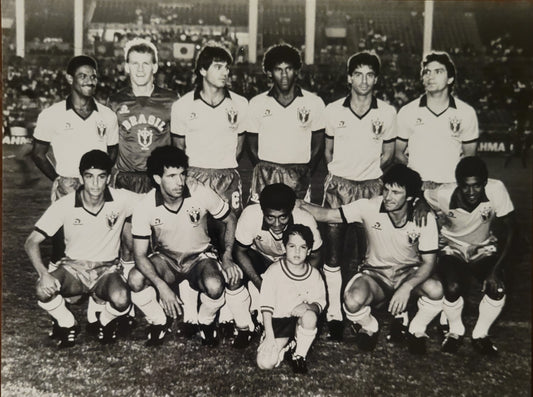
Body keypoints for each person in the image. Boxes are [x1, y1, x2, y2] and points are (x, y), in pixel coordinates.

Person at [300, 165, 443, 354]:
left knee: (436, 290)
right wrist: (294, 203)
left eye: (396, 192)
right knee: (351, 301)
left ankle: (416, 329)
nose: (388, 197)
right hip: (376, 275)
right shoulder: (368, 207)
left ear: (410, 197)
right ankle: (370, 326)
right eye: (386, 190)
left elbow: (429, 262)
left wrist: (406, 288)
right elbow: (327, 215)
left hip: (409, 273)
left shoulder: (424, 218)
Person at [128, 146, 251, 347]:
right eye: (172, 176)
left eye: (183, 174)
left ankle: (206, 322)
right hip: (166, 258)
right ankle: (159, 322)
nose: (180, 181)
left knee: (215, 285)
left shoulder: (200, 192)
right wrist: (162, 287)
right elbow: (140, 255)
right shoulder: (145, 206)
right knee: (135, 278)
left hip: (200, 257)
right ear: (158, 179)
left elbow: (230, 219)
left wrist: (227, 256)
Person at [24, 150, 140, 347]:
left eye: (101, 177)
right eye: (89, 176)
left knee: (122, 300)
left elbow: (154, 200)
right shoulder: (65, 204)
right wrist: (44, 273)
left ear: (109, 178)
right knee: (43, 290)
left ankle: (104, 321)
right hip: (73, 269)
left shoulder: (122, 199)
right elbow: (31, 242)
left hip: (106, 270)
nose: (95, 184)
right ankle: (68, 323)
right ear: (81, 178)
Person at [171, 43, 248, 336]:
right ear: (202, 70)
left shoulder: (239, 104)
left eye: (227, 67)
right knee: (192, 242)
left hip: (227, 175)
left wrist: (223, 168)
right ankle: (191, 311)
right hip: (194, 177)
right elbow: (178, 148)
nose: (225, 72)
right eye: (218, 66)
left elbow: (239, 147)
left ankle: (227, 311)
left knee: (230, 237)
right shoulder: (182, 107)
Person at [321, 51, 397, 341]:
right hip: (339, 187)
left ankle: (361, 307)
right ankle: (334, 314)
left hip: (371, 188)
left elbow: (388, 154)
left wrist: (370, 176)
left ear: (376, 79)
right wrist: (340, 174)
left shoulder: (387, 112)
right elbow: (328, 150)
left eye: (370, 75)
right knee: (334, 252)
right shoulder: (333, 111)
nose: (363, 80)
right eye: (358, 74)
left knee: (369, 252)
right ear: (349, 77)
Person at [106, 38, 178, 332]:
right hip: (125, 179)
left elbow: (178, 142)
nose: (139, 68)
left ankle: (157, 300)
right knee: (126, 245)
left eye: (145, 63)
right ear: (126, 66)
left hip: (155, 182)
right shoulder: (114, 101)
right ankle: (128, 309)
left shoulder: (172, 99)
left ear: (155, 66)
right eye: (134, 63)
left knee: (159, 244)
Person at [31, 55, 119, 266]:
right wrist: (58, 178)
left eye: (93, 76)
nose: (90, 80)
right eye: (83, 76)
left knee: (98, 237)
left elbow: (113, 150)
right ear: (70, 79)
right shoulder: (52, 114)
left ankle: (97, 288)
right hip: (68, 184)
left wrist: (102, 176)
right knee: (62, 243)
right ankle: (57, 289)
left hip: (96, 183)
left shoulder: (107, 116)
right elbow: (38, 153)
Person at [424, 156, 514, 355]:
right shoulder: (443, 194)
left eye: (476, 186)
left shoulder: (497, 190)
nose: (471, 192)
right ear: (458, 183)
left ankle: (480, 335)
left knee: (497, 287)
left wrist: (495, 270)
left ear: (485, 183)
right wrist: (431, 223)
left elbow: (511, 232)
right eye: (465, 186)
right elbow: (421, 199)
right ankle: (455, 331)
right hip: (452, 246)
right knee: (453, 287)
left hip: (482, 247)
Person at [233, 183, 323, 342]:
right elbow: (239, 252)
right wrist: (262, 285)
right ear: (262, 211)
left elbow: (316, 255)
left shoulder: (305, 219)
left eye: (283, 217)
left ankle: (297, 325)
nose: (277, 224)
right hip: (260, 256)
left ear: (291, 211)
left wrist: (299, 283)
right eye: (270, 217)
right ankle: (244, 324)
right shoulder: (250, 215)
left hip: (289, 262)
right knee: (236, 272)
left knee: (308, 285)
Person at [246, 43, 325, 202]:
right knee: (263, 221)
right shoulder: (256, 103)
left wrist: (306, 170)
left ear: (296, 71)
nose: (284, 75)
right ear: (269, 72)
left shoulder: (314, 102)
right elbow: (251, 145)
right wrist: (265, 170)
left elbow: (318, 143)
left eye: (288, 69)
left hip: (299, 174)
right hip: (265, 174)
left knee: (299, 221)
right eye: (278, 69)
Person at [395, 51, 478, 188]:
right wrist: (416, 175)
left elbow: (469, 157)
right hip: (418, 186)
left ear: (450, 79)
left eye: (438, 72)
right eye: (427, 72)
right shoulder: (407, 111)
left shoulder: (466, 113)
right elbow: (397, 152)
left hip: (452, 186)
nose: (430, 76)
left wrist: (452, 178)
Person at [256, 224, 326, 374]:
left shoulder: (314, 275)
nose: (297, 251)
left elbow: (320, 304)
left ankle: (299, 355)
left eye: (302, 247)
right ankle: (288, 345)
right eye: (292, 246)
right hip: (278, 322)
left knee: (310, 317)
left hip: (299, 320)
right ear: (284, 247)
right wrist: (269, 336)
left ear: (309, 251)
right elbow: (266, 307)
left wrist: (307, 306)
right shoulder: (274, 271)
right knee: (265, 363)